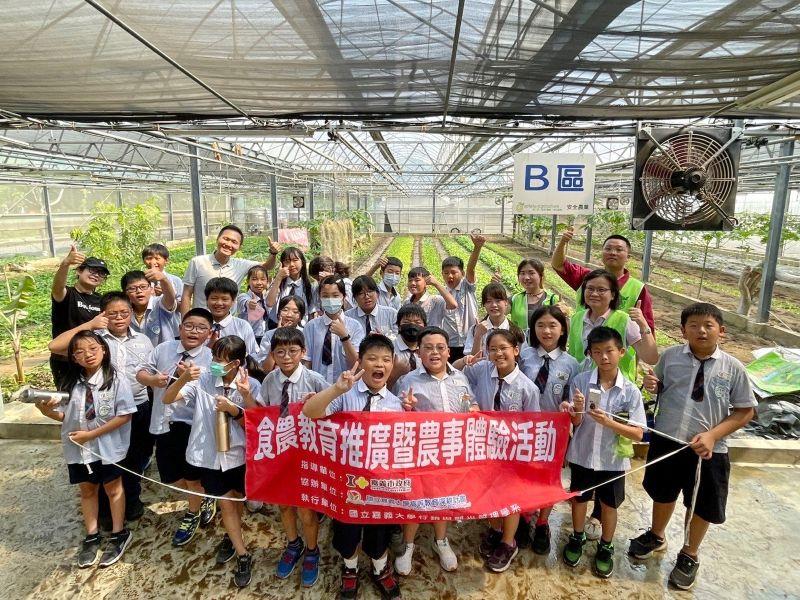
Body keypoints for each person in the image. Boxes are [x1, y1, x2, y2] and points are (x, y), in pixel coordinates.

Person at [629, 303, 756, 590]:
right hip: (668, 439)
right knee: (663, 492)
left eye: (708, 325)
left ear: (721, 331)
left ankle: (690, 553)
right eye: (694, 325)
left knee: (701, 502)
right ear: (683, 330)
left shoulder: (733, 368)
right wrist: (653, 385)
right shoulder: (671, 357)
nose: (701, 331)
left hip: (708, 450)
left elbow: (744, 411)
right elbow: (660, 384)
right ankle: (656, 535)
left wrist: (713, 435)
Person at [302, 335, 403, 600]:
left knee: (378, 531)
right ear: (360, 361)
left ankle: (380, 568)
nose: (379, 364)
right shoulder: (344, 395)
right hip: (346, 483)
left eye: (386, 359)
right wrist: (336, 390)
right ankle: (350, 568)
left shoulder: (397, 405)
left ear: (392, 363)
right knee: (347, 531)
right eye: (372, 358)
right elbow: (309, 412)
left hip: (380, 484)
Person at [163, 335, 263, 588]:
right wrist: (183, 379)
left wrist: (237, 406)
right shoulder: (203, 379)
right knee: (226, 504)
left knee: (237, 499)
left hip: (239, 456)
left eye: (220, 360)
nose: (215, 364)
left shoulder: (250, 384)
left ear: (236, 363)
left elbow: (258, 424)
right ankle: (243, 554)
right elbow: (168, 398)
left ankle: (232, 535)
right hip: (210, 456)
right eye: (214, 358)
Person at [49, 292, 155, 522]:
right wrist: (90, 324)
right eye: (112, 314)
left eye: (124, 313)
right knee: (104, 462)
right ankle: (106, 511)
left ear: (131, 313)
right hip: (104, 413)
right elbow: (54, 345)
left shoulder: (143, 340)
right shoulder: (94, 341)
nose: (119, 318)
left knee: (134, 459)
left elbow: (148, 370)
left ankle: (131, 501)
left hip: (138, 407)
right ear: (103, 314)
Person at [35, 331, 135, 568]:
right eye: (79, 351)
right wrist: (46, 411)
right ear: (73, 357)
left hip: (108, 447)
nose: (88, 354)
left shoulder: (116, 380)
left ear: (103, 350)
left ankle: (119, 532)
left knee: (113, 489)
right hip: (79, 449)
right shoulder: (70, 384)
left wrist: (91, 434)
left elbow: (125, 415)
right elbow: (65, 417)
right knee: (87, 490)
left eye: (92, 348)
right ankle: (91, 535)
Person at [561, 327, 646, 579]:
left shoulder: (630, 391)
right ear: (590, 354)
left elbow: (638, 433)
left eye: (609, 351)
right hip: (583, 454)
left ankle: (606, 545)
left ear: (622, 352)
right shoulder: (581, 382)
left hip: (613, 460)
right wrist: (575, 409)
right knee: (579, 499)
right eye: (597, 352)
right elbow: (576, 422)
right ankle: (577, 536)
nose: (604, 357)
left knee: (609, 504)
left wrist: (608, 422)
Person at [458, 329, 540, 573]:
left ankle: (508, 542)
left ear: (516, 350)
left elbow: (533, 427)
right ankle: (495, 529)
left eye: (503, 348)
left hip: (513, 454)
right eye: (492, 349)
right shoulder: (483, 370)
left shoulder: (528, 388)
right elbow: (457, 373)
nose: (498, 354)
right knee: (490, 492)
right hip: (486, 449)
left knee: (510, 497)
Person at [393, 326, 473, 575]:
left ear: (449, 351)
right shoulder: (409, 381)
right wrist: (405, 409)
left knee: (443, 498)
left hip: (451, 453)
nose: (434, 352)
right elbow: (394, 417)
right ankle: (408, 545)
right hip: (420, 453)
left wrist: (474, 410)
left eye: (440, 347)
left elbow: (471, 404)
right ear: (419, 352)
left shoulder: (460, 378)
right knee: (416, 499)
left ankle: (441, 541)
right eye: (428, 348)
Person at [136, 307, 216, 547]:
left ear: (209, 333)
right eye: (189, 326)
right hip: (162, 421)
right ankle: (205, 495)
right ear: (180, 328)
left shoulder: (211, 358)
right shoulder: (163, 349)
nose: (194, 331)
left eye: (201, 328)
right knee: (171, 476)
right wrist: (152, 380)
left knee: (192, 476)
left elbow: (216, 388)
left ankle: (193, 512)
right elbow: (141, 373)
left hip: (191, 424)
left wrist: (187, 379)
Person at [259, 327, 328, 587]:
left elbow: (332, 413)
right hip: (280, 454)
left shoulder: (315, 379)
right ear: (273, 354)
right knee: (284, 505)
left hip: (307, 455)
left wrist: (318, 403)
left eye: (292, 351)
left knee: (305, 509)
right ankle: (293, 543)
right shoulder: (269, 381)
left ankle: (312, 549)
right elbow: (261, 415)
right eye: (280, 352)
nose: (286, 357)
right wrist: (244, 396)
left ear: (303, 352)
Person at [519, 305, 580, 554]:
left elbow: (572, 401)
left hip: (553, 432)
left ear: (562, 329)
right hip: (524, 429)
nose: (546, 331)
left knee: (549, 478)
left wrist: (569, 407)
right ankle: (524, 516)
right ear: (533, 329)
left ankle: (542, 523)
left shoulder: (571, 364)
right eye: (541, 325)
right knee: (523, 475)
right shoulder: (524, 356)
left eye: (553, 325)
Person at [552, 227, 654, 332]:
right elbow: (558, 265)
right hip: (581, 341)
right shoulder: (587, 277)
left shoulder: (638, 288)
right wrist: (563, 242)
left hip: (618, 342)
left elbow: (648, 327)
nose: (613, 253)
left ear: (628, 257)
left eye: (619, 250)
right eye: (608, 249)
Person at [567, 269, 658, 382]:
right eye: (590, 289)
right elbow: (572, 355)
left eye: (601, 290)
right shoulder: (576, 318)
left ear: (613, 295)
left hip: (615, 388)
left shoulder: (624, 320)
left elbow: (651, 358)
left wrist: (643, 325)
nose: (594, 294)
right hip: (580, 386)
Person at [181, 224, 279, 311]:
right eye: (226, 239)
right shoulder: (198, 262)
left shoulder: (241, 265)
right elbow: (186, 295)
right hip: (202, 321)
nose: (228, 244)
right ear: (217, 239)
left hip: (228, 322)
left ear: (239, 247)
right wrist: (185, 321)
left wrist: (273, 253)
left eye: (234, 242)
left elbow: (267, 266)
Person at [50, 245, 107, 390]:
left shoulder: (101, 300)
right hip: (65, 360)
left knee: (93, 398)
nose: (96, 275)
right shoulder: (68, 294)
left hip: (91, 360)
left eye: (101, 273)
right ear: (79, 271)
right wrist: (65, 264)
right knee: (69, 399)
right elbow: (57, 288)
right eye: (92, 270)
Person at [303, 276, 364, 384]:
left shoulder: (355, 326)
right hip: (318, 388)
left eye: (335, 295)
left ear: (343, 297)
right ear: (320, 298)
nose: (330, 300)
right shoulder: (311, 327)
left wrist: (344, 337)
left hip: (346, 387)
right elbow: (307, 362)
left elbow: (356, 364)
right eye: (325, 296)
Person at [440, 234, 484, 362]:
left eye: (454, 272)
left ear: (462, 273)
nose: (450, 276)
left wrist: (477, 248)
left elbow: (471, 269)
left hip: (470, 342)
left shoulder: (467, 286)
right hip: (451, 344)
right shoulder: (442, 294)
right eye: (446, 273)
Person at [203, 277, 259, 360]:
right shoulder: (198, 326)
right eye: (214, 298)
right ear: (207, 300)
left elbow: (253, 356)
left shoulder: (243, 326)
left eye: (224, 299)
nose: (219, 303)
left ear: (233, 301)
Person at [465, 282, 525, 356]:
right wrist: (478, 336)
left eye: (498, 300)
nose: (494, 305)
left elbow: (523, 358)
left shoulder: (516, 332)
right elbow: (472, 360)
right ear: (484, 304)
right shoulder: (475, 330)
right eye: (489, 301)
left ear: (506, 302)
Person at [122, 269, 179, 346]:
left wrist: (164, 279)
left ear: (151, 289)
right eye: (132, 288)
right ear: (124, 293)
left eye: (143, 287)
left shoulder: (159, 304)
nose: (139, 291)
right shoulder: (123, 311)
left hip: (164, 352)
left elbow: (170, 298)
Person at [508, 258, 559, 342]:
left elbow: (564, 327)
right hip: (520, 347)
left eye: (531, 273)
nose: (526, 277)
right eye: (522, 273)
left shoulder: (552, 299)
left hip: (545, 347)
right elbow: (497, 313)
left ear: (541, 276)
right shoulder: (514, 299)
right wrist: (495, 289)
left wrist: (566, 313)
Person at [266, 247, 315, 327]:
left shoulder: (309, 286)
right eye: (287, 261)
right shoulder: (278, 283)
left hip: (302, 328)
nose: (291, 264)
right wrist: (278, 278)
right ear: (282, 264)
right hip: (277, 326)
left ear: (302, 262)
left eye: (295, 260)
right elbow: (269, 303)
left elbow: (311, 312)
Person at [257, 295, 306, 373]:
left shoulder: (305, 334)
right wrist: (277, 336)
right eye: (285, 310)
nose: (289, 315)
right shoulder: (269, 335)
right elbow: (266, 369)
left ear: (300, 317)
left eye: (295, 312)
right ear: (279, 313)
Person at [387, 304, 427, 390]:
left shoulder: (429, 351)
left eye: (417, 323)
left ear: (424, 326)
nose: (412, 325)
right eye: (406, 322)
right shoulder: (388, 349)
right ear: (398, 326)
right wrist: (395, 374)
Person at [235, 265, 271, 344]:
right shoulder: (243, 296)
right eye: (254, 279)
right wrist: (250, 303)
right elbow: (245, 302)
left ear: (267, 281)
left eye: (263, 279)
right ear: (248, 281)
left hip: (264, 337)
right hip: (247, 338)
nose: (259, 283)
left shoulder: (266, 298)